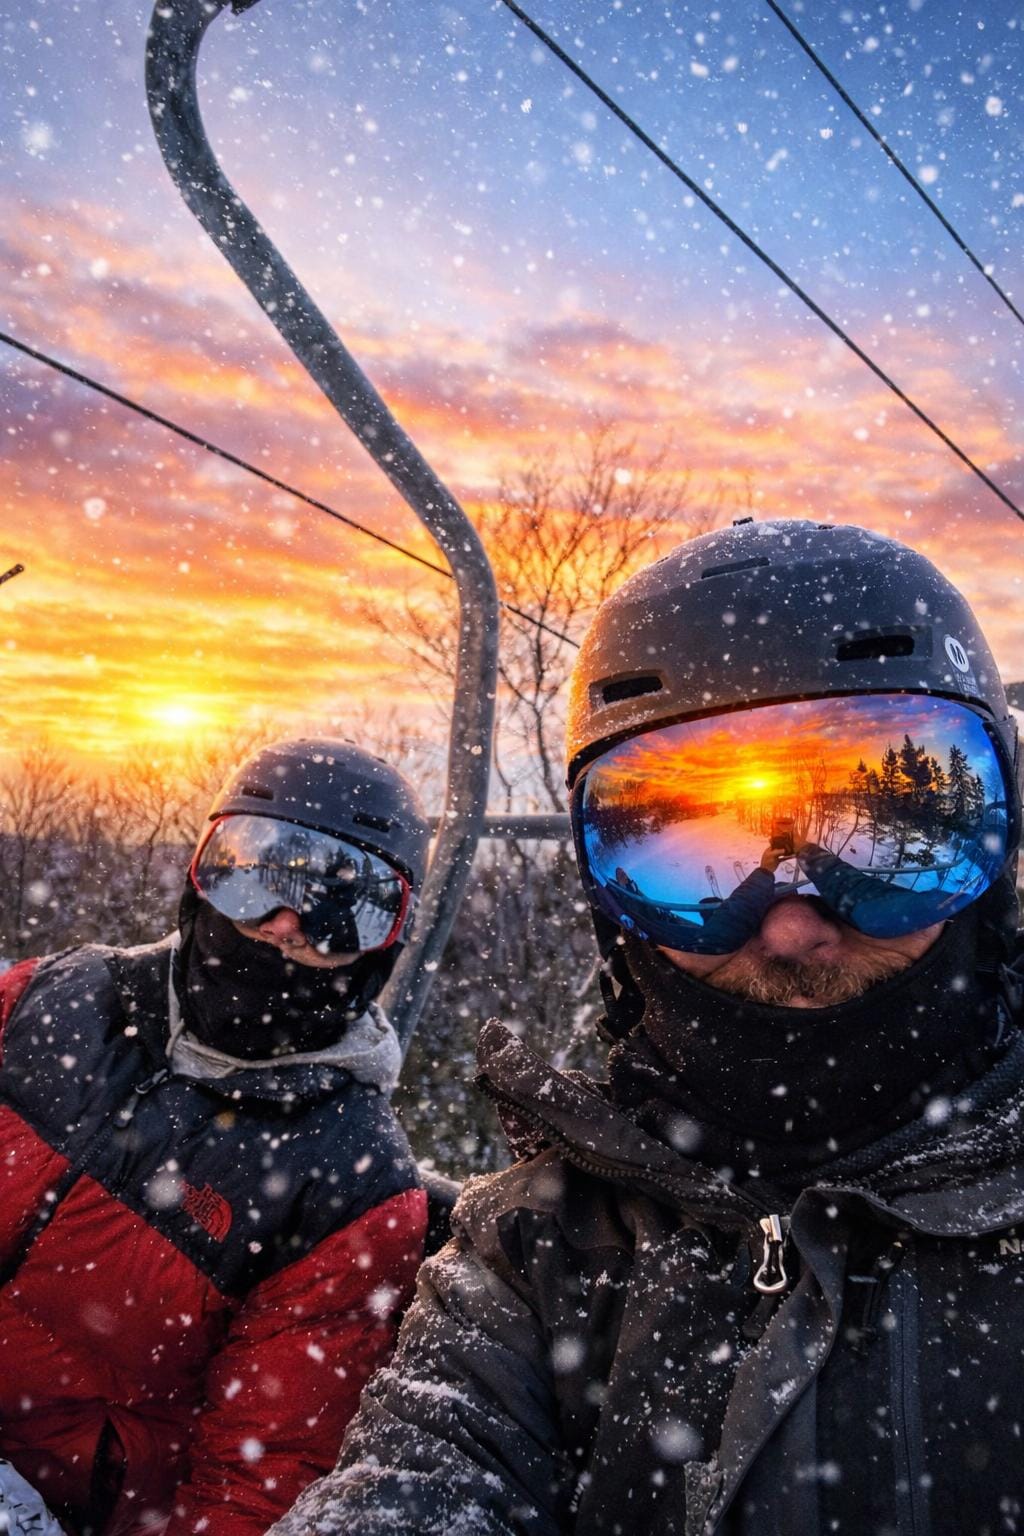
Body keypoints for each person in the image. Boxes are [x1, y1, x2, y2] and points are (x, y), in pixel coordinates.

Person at [272, 521, 1024, 1536]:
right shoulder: (533, 1249)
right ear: (610, 912)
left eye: (885, 847)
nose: (790, 925)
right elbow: (414, 1483)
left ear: (999, 859)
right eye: (687, 856)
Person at [0, 737, 433, 1536]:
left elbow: (257, 1477)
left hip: (57, 1509)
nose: (281, 926)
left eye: (340, 909)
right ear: (200, 878)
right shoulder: (53, 998)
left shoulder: (349, 1184)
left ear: (384, 947)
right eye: (251, 876)